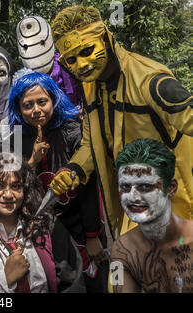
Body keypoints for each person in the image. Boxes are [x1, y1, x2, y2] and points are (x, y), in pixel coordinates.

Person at [49, 5, 193, 237]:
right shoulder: (90, 88)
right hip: (131, 211)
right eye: (71, 60)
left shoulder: (149, 80)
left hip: (174, 210)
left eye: (87, 51)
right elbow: (91, 142)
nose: (81, 65)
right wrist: (73, 170)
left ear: (105, 38)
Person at [7, 72, 109, 292]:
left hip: (82, 225)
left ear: (54, 99)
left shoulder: (72, 132)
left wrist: (92, 236)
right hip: (44, 232)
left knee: (95, 282)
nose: (36, 110)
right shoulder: (15, 141)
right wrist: (32, 161)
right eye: (27, 105)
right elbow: (13, 188)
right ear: (18, 109)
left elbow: (89, 188)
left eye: (42, 102)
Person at [0, 152, 85, 293]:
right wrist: (5, 278)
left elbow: (71, 280)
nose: (8, 195)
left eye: (16, 186)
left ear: (25, 189)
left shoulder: (44, 225)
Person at [110, 138, 193, 293]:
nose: (133, 197)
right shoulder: (121, 250)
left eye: (145, 187)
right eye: (125, 187)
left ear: (171, 188)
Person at [16, 15, 82, 110]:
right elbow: (17, 116)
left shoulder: (68, 68)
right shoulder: (21, 81)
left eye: (41, 43)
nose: (35, 50)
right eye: (26, 47)